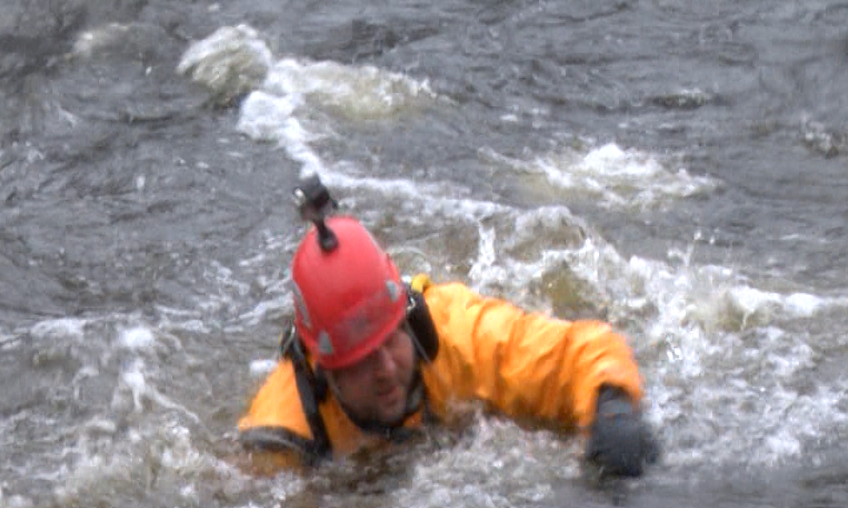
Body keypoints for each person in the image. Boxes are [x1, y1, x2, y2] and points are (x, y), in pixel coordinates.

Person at [236, 177, 658, 478]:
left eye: (391, 341)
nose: (385, 369)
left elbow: (582, 350)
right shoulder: (283, 436)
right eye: (361, 362)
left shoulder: (457, 333)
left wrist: (613, 407)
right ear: (324, 369)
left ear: (408, 320)